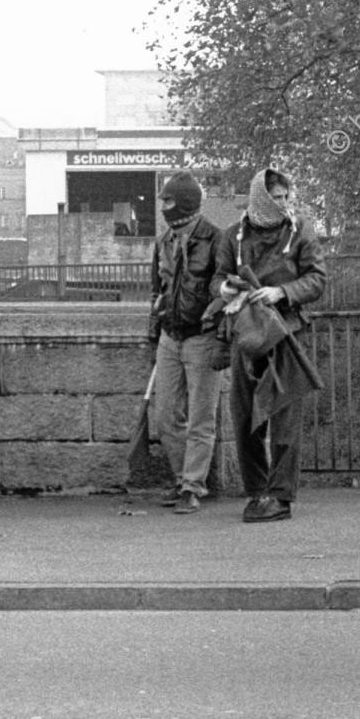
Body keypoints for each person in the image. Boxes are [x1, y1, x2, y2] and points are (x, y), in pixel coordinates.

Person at [214, 167, 328, 523]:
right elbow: (216, 278)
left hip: (286, 333)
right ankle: (256, 491)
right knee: (245, 415)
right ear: (260, 198)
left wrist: (281, 291)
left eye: (285, 197)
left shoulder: (300, 232)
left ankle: (280, 497)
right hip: (247, 333)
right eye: (275, 197)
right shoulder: (232, 237)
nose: (283, 203)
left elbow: (317, 279)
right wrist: (226, 289)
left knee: (285, 418)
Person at [148, 173, 224, 515]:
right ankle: (184, 481)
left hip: (202, 338)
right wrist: (156, 326)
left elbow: (226, 287)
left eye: (168, 200)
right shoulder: (163, 241)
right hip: (170, 336)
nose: (162, 206)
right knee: (165, 416)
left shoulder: (217, 240)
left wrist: (214, 310)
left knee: (201, 419)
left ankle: (193, 486)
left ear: (185, 202)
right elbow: (156, 290)